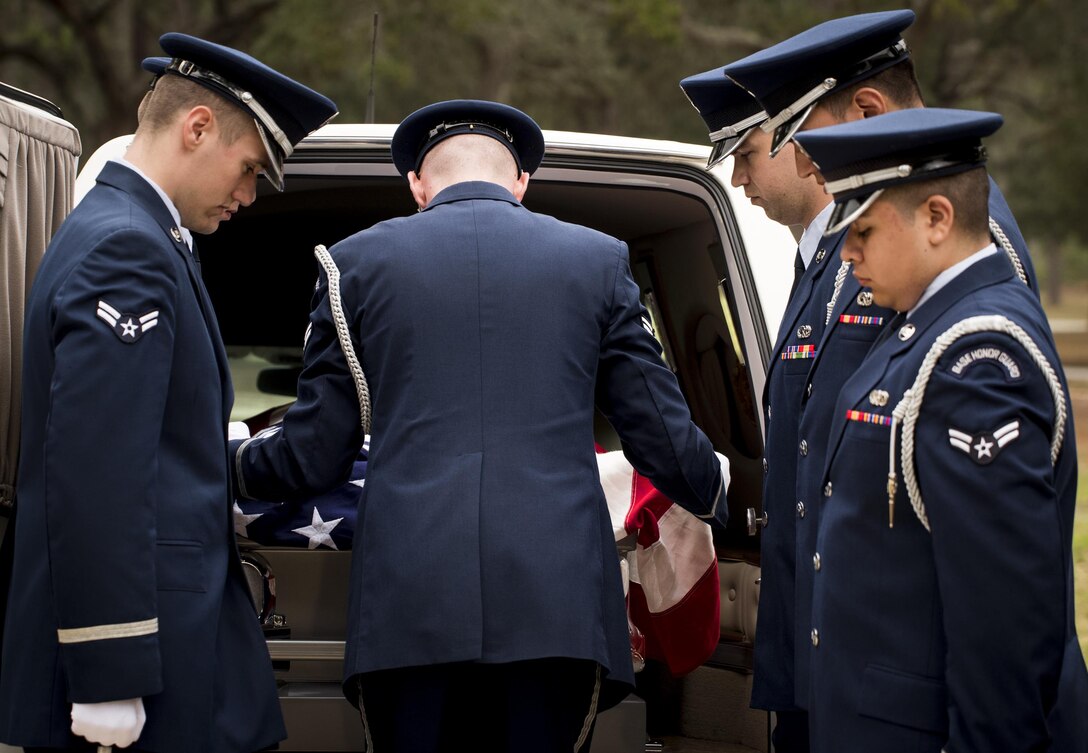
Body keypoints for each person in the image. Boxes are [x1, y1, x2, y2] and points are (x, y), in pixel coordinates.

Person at [229, 99, 729, 753]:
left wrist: (226, 459)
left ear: (416, 185)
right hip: (558, 611)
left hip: (410, 610)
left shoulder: (350, 266)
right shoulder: (599, 262)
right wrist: (723, 487)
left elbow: (314, 456)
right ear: (522, 180)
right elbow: (662, 442)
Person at [0, 33, 337, 752]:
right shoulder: (129, 249)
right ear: (197, 128)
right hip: (141, 675)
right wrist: (106, 671)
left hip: (166, 650)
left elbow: (150, 441)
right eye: (249, 168)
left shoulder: (135, 234)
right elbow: (96, 477)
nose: (249, 194)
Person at [792, 107, 1088, 753]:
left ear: (937, 217)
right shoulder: (927, 324)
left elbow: (1002, 634)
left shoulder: (977, 360)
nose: (847, 251)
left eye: (864, 229)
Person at [681, 53, 897, 752]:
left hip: (871, 644)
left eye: (748, 151)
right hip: (820, 640)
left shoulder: (899, 253)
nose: (739, 177)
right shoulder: (821, 262)